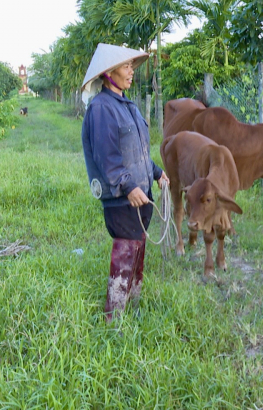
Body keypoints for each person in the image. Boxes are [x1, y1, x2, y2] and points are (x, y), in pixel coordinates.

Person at [80, 43, 169, 323]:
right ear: (108, 74)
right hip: (122, 199)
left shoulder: (129, 106)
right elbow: (106, 156)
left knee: (138, 250)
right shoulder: (101, 109)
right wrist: (128, 186)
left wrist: (157, 172)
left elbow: (138, 151)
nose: (131, 71)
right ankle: (113, 317)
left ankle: (134, 305)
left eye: (132, 66)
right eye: (126, 66)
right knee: (125, 253)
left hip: (142, 196)